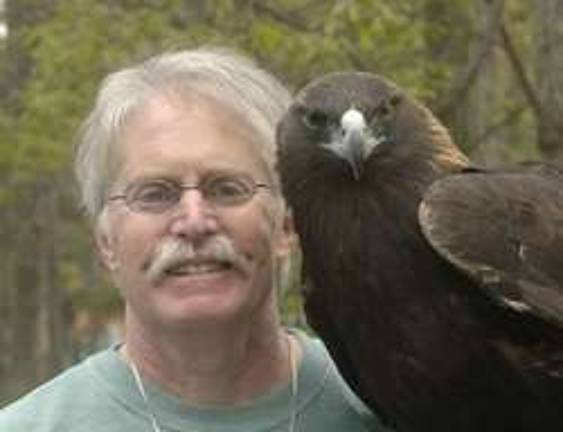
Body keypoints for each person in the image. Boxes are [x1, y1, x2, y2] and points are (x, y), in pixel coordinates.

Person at [0, 47, 389, 431]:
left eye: (226, 188)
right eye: (154, 194)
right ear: (106, 243)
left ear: (287, 226)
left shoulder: (393, 409)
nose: (194, 221)